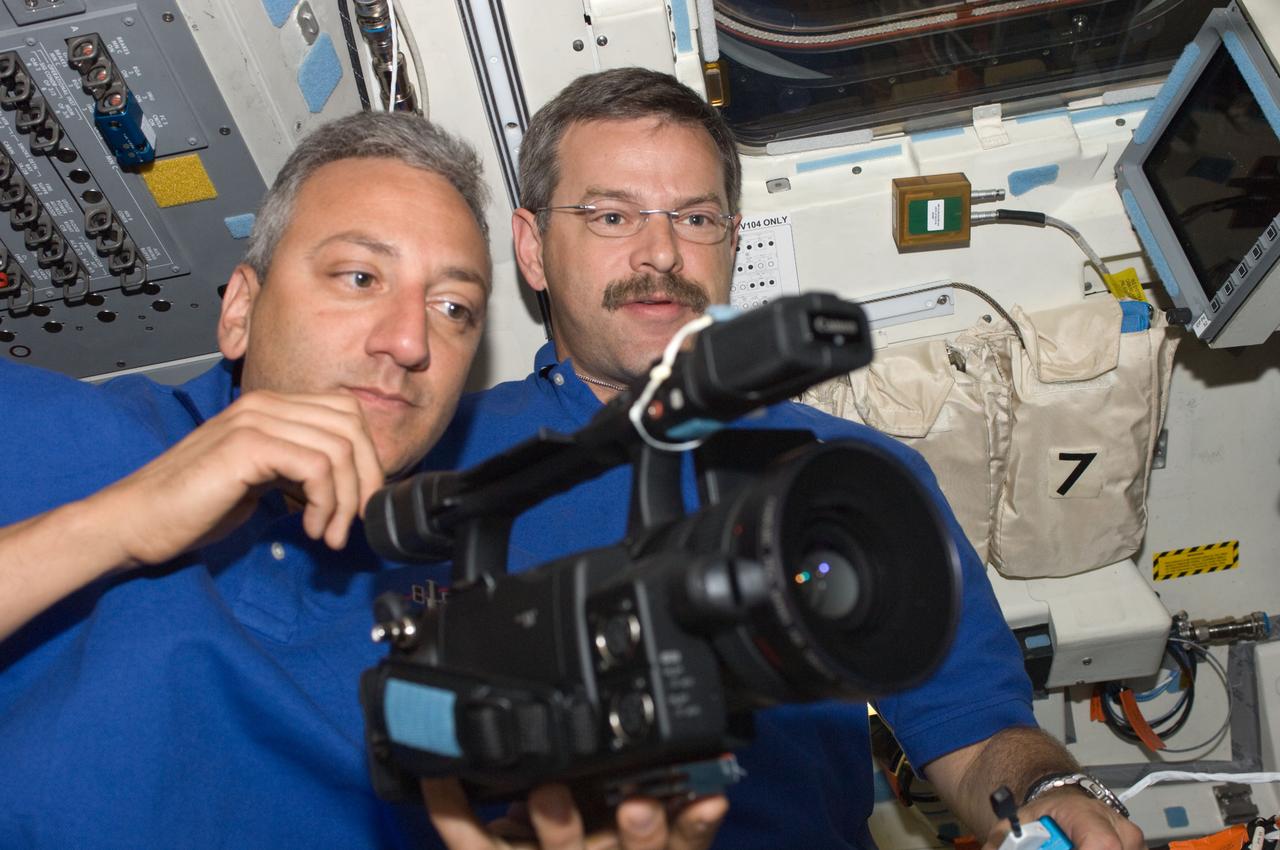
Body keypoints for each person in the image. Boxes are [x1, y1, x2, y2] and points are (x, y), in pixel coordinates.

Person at [425, 68, 1148, 850]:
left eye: (696, 217)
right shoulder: (431, 468)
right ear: (532, 250)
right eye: (612, 215)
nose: (662, 252)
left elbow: (973, 731)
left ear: (731, 244)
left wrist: (1050, 790)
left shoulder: (847, 470)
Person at [0, 112, 724, 850]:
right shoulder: (41, 423)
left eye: (454, 309)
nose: (410, 341)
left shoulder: (461, 611)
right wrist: (114, 524)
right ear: (241, 312)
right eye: (360, 276)